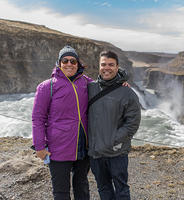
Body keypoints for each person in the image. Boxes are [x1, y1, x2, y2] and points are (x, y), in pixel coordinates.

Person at [32, 45, 92, 200]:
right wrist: (39, 147)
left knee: (82, 188)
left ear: (78, 64)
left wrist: (121, 81)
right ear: (59, 63)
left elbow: (106, 84)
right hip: (59, 147)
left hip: (83, 146)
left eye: (73, 60)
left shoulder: (87, 83)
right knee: (61, 192)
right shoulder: (47, 87)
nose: (69, 64)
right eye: (65, 60)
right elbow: (38, 118)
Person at [88, 50, 141, 200]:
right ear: (98, 66)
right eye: (103, 64)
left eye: (111, 65)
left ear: (117, 67)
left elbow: (132, 123)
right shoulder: (90, 88)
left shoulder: (127, 93)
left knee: (121, 189)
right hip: (95, 152)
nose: (107, 68)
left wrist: (113, 140)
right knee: (103, 188)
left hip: (116, 152)